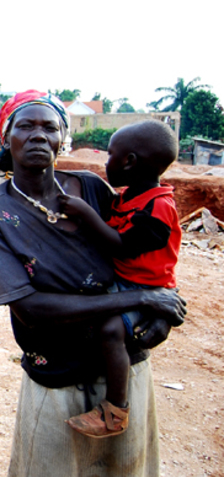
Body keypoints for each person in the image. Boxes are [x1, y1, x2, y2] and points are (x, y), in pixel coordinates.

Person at [0, 91, 186, 477]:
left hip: (125, 369)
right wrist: (145, 298)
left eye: (49, 126)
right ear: (6, 138)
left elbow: (145, 252)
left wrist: (165, 306)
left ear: (62, 139)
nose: (38, 135)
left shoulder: (92, 188)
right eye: (25, 126)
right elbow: (31, 309)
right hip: (56, 376)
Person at [57, 120, 181, 438]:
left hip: (145, 287)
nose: (105, 161)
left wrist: (86, 213)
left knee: (110, 328)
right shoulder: (129, 197)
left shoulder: (159, 207)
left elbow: (124, 247)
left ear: (129, 161)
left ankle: (114, 412)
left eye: (110, 154)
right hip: (127, 281)